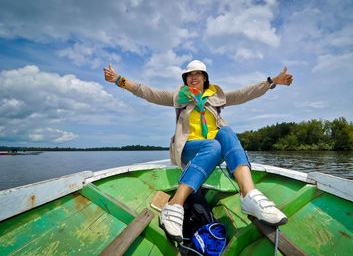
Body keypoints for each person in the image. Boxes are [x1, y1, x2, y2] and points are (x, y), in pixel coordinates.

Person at [104, 60, 293, 242]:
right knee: (213, 145)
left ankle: (249, 195)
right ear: (185, 79)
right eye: (189, 75)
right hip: (188, 148)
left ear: (204, 78)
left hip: (214, 149)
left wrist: (272, 82)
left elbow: (245, 93)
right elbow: (146, 92)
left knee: (225, 132)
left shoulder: (216, 97)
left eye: (198, 74)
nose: (193, 77)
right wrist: (119, 80)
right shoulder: (178, 98)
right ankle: (174, 205)